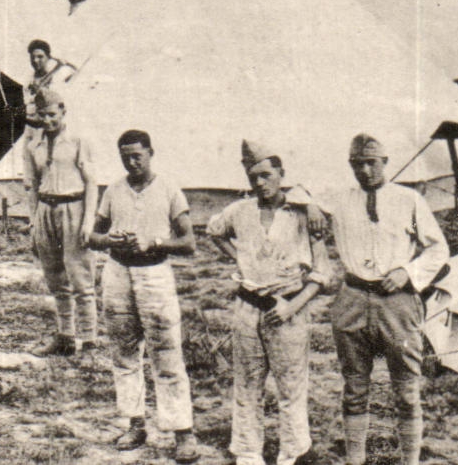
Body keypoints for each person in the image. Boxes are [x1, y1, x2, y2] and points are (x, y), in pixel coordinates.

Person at [323, 134, 448, 465]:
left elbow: (438, 248)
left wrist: (408, 271)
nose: (365, 171)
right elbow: (297, 195)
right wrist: (306, 206)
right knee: (354, 388)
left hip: (396, 302)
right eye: (357, 164)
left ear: (386, 162)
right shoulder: (339, 199)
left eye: (371, 163)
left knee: (406, 390)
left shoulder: (408, 200)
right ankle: (355, 459)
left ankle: (410, 460)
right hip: (352, 299)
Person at [207, 139, 331, 465]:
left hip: (288, 309)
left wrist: (292, 306)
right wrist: (239, 258)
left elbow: (322, 274)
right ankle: (248, 453)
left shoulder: (303, 215)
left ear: (281, 173)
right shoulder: (240, 211)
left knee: (291, 386)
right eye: (253, 177)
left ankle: (293, 452)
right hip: (248, 308)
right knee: (247, 384)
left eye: (266, 175)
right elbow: (214, 231)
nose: (260, 183)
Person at [88, 130, 201, 464]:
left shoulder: (168, 189)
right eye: (125, 157)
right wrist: (110, 240)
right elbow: (93, 236)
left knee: (166, 354)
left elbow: (189, 243)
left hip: (154, 276)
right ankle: (135, 424)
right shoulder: (113, 190)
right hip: (118, 274)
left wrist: (154, 242)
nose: (132, 162)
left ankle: (182, 431)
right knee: (124, 353)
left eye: (137, 155)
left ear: (151, 153)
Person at [20, 87, 100, 356]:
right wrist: (34, 223)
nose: (48, 120)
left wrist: (88, 223)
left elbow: (91, 183)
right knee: (55, 277)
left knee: (80, 277)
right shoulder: (33, 144)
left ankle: (89, 341)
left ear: (63, 111)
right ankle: (65, 337)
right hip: (45, 210)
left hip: (73, 208)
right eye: (42, 115)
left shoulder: (78, 140)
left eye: (52, 114)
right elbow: (31, 186)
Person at [23, 39, 76, 121]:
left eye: (40, 57)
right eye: (32, 57)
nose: (35, 60)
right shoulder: (29, 79)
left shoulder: (59, 77)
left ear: (48, 57)